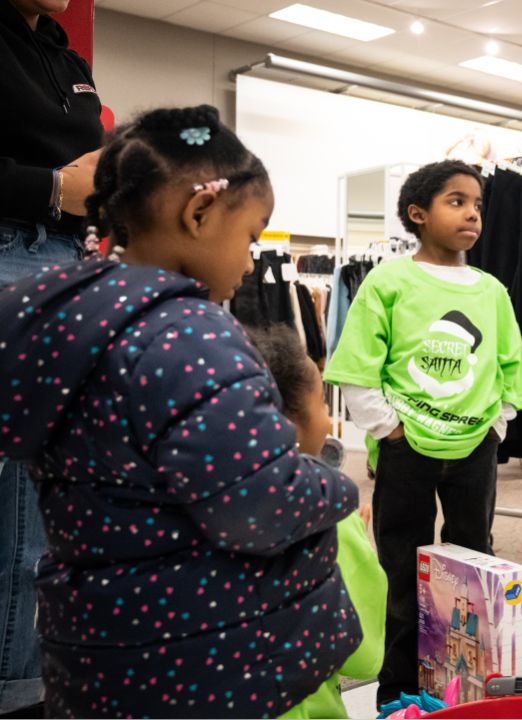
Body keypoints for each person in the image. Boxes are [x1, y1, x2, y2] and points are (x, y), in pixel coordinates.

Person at [0, 105, 362, 718]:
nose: (252, 263)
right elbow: (257, 502)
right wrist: (335, 484)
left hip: (94, 646)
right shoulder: (189, 333)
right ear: (198, 213)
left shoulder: (62, 322)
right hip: (196, 657)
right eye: (250, 238)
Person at [324, 160, 522, 705]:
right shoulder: (388, 281)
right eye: (456, 201)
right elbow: (359, 365)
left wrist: (495, 424)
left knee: (474, 565)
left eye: (478, 204)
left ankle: (471, 686)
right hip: (406, 450)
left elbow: (511, 366)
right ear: (418, 215)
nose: (472, 214)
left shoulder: (491, 291)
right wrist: (389, 429)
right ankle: (398, 691)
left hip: (474, 450)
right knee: (401, 571)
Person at [0, 1, 102, 714]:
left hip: (68, 258)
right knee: (18, 491)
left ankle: (30, 680)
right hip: (11, 249)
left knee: (49, 490)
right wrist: (52, 188)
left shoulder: (66, 59)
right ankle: (17, 691)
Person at [245, 327, 387, 720]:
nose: (328, 421)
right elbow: (364, 656)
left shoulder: (192, 505)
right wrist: (360, 546)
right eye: (323, 404)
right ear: (289, 426)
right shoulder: (329, 516)